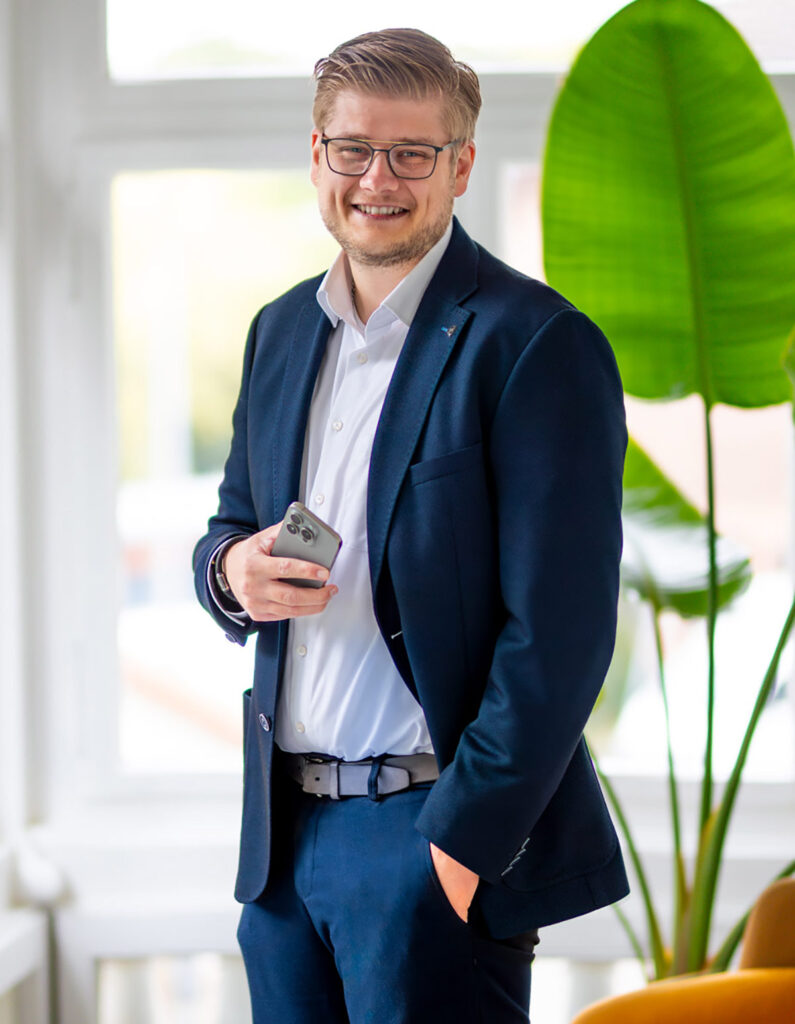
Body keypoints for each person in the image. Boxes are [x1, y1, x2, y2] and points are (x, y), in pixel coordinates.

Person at [193, 27, 628, 1024]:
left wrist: (457, 852)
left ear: (461, 165)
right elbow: (228, 527)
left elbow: (558, 640)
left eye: (412, 153)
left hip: (427, 842)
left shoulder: (536, 344)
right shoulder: (279, 332)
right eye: (352, 148)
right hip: (282, 848)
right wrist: (231, 573)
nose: (376, 178)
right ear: (318, 157)